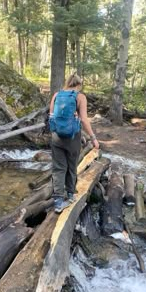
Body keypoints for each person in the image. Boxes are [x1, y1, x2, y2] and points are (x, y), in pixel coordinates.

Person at [49, 73, 100, 213]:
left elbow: (51, 115)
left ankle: (58, 201)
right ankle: (70, 195)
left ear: (67, 83)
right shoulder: (80, 97)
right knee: (72, 166)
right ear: (79, 85)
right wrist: (93, 138)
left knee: (58, 168)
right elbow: (84, 119)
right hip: (72, 138)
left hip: (56, 136)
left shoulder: (56, 95)